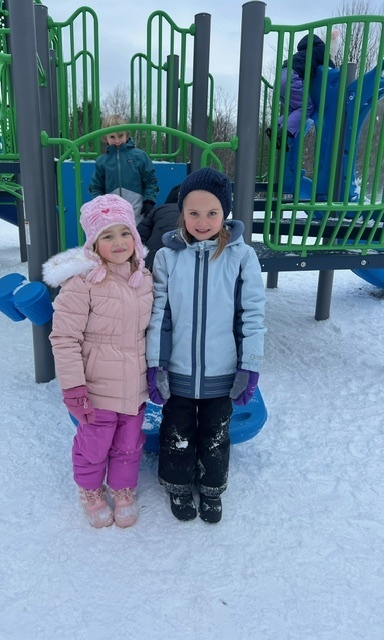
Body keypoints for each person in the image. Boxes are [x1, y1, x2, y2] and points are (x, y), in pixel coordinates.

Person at [145, 167, 266, 524]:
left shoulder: (241, 256)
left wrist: (250, 364)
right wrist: (157, 363)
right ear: (182, 212)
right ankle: (178, 484)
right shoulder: (168, 257)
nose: (202, 221)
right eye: (193, 212)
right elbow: (160, 314)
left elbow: (252, 313)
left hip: (222, 368)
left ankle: (212, 488)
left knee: (216, 431)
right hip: (179, 367)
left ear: (224, 213)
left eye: (212, 213)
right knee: (177, 429)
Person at [42, 194, 153, 529]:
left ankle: (122, 489)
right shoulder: (81, 284)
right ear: (93, 244)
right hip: (96, 386)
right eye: (107, 235)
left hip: (134, 385)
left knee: (129, 443)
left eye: (124, 233)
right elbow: (64, 338)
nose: (119, 242)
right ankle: (90, 490)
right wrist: (74, 387)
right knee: (95, 443)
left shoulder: (144, 279)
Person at [267, 33, 337, 150]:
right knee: (306, 107)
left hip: (279, 78)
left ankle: (276, 127)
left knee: (295, 109)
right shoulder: (321, 49)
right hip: (291, 77)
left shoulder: (303, 52)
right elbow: (330, 67)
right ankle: (283, 133)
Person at [89, 114, 159, 225]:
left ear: (126, 135)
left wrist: (149, 201)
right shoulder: (102, 161)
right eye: (112, 137)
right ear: (105, 137)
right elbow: (96, 186)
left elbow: (150, 180)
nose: (117, 141)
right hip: (111, 213)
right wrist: (100, 204)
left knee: (137, 238)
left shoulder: (139, 156)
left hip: (137, 211)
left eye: (120, 136)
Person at [137, 184, 181, 271]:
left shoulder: (158, 210)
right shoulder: (193, 215)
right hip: (181, 260)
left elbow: (139, 236)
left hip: (153, 256)